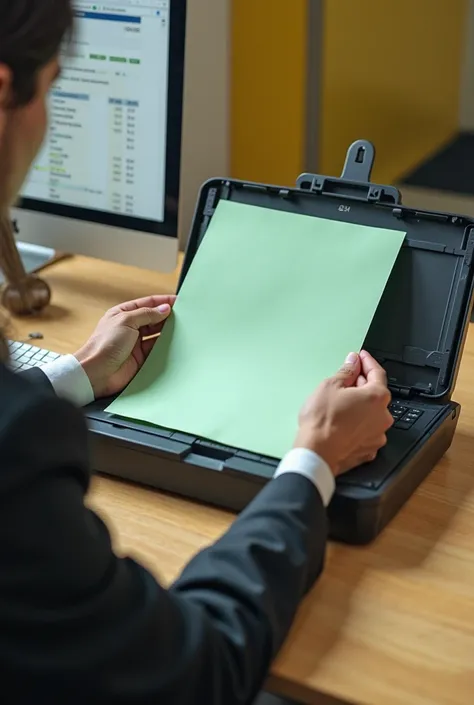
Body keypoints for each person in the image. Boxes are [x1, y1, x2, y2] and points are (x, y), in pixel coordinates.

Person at [0, 2, 393, 704]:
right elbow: (194, 667)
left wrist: (73, 376)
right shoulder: (19, 453)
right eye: (55, 86)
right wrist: (312, 464)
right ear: (6, 93)